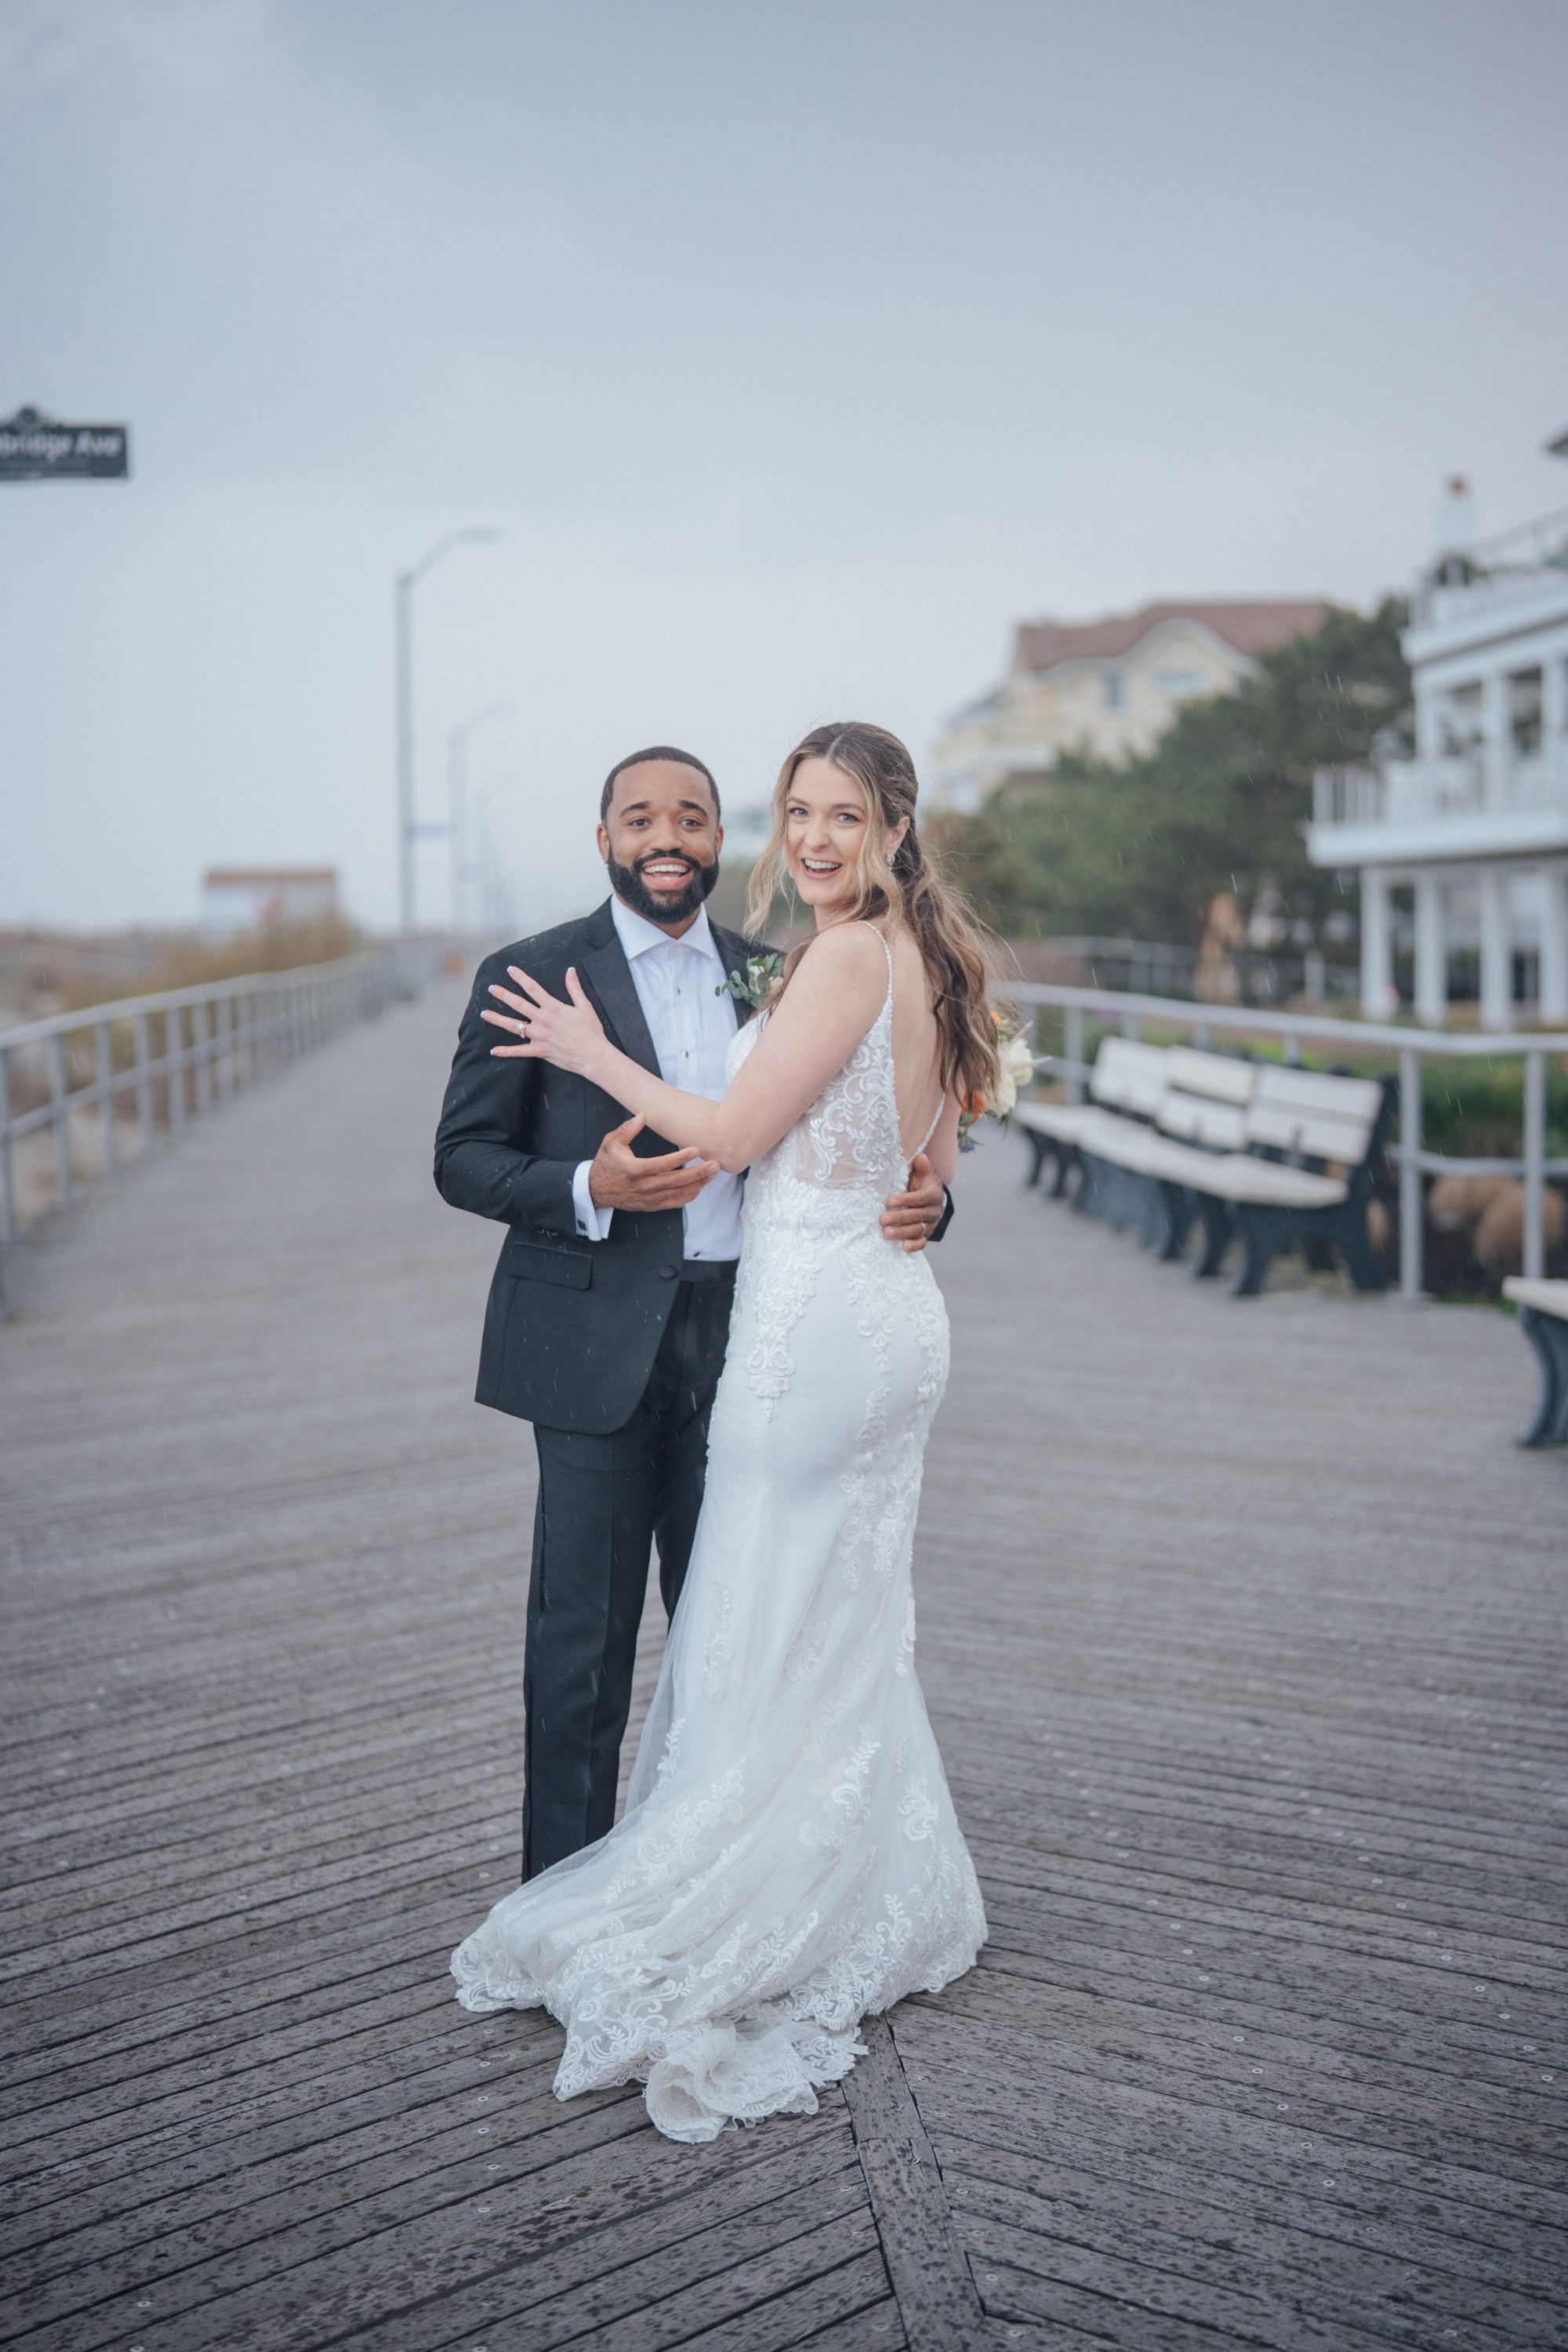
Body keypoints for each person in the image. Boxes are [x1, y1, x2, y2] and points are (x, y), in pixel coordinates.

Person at [449, 721, 998, 2143]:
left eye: (842, 815)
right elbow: (462, 1157)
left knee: (749, 1615)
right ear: (606, 837)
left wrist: (594, 1053)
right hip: (691, 1333)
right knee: (700, 1624)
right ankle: (603, 1874)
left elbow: (774, 1136)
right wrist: (585, 1183)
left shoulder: (806, 958)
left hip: (784, 1334)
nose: (809, 836)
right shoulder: (538, 969)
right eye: (798, 811)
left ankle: (724, 1891)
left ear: (889, 830)